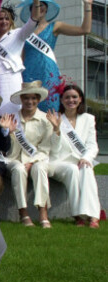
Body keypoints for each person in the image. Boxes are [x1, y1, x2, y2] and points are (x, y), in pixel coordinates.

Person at [19, 0, 96, 112]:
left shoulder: (55, 26)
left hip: (48, 74)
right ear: (31, 10)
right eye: (36, 5)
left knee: (50, 109)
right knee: (29, 110)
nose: (39, 7)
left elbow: (84, 30)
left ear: (47, 9)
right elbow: (21, 57)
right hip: (28, 74)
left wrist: (88, 6)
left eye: (42, 5)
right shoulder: (25, 32)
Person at [46, 84, 101, 228]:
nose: (71, 100)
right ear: (62, 100)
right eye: (67, 97)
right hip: (59, 162)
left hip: (80, 160)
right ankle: (78, 215)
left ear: (80, 99)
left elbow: (92, 145)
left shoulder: (88, 119)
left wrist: (86, 158)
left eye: (74, 97)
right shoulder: (56, 118)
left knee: (87, 169)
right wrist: (57, 130)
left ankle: (93, 216)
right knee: (72, 169)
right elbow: (54, 150)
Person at [0, 0, 43, 115]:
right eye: (0, 19)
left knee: (10, 113)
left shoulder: (18, 34)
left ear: (10, 21)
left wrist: (36, 0)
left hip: (10, 78)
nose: (3, 21)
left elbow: (33, 20)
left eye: (6, 19)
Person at [5, 81, 53, 228]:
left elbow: (45, 149)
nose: (30, 101)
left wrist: (32, 162)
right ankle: (23, 213)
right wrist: (10, 133)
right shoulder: (12, 118)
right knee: (19, 169)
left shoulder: (46, 120)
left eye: (33, 98)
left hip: (38, 159)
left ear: (38, 100)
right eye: (26, 98)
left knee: (39, 169)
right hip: (14, 159)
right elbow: (9, 150)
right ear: (21, 99)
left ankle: (43, 213)